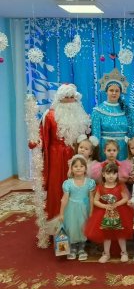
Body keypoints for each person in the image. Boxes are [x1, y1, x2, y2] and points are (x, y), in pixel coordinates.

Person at [39, 84, 91, 219]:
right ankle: (56, 217)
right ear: (60, 98)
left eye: (72, 97)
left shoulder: (81, 115)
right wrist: (36, 142)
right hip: (56, 156)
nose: (69, 100)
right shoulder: (50, 115)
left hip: (76, 154)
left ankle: (77, 218)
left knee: (77, 183)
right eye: (66, 97)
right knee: (57, 184)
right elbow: (42, 136)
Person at [84, 162, 133, 263]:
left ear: (117, 174)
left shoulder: (120, 186)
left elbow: (125, 198)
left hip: (119, 213)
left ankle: (124, 252)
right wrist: (105, 206)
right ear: (103, 174)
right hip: (105, 214)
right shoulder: (100, 187)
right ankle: (106, 254)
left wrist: (116, 204)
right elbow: (95, 201)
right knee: (106, 235)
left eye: (114, 173)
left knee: (120, 234)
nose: (111, 176)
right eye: (108, 173)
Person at [91, 68, 134, 161]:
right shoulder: (98, 111)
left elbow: (132, 133)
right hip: (106, 149)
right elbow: (96, 136)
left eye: (117, 91)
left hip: (123, 149)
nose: (114, 93)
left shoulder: (127, 111)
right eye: (111, 90)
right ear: (106, 91)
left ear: (120, 92)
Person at [59, 155, 96, 261]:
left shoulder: (90, 182)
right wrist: (61, 213)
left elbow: (91, 198)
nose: (78, 168)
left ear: (85, 168)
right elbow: (64, 199)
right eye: (75, 166)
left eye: (81, 166)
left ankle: (82, 248)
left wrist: (91, 211)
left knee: (83, 227)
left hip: (85, 209)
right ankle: (73, 248)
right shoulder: (68, 183)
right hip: (71, 209)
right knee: (72, 227)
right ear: (71, 169)